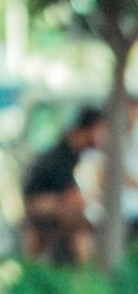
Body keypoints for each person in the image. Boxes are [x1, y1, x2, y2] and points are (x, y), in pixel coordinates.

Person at [23, 106, 104, 265]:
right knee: (81, 224)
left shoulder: (74, 153)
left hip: (50, 207)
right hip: (40, 206)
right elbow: (71, 196)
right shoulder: (62, 155)